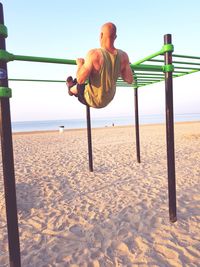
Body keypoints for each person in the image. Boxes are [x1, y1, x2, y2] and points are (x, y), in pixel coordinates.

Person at [66, 22, 133, 108]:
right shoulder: (124, 56)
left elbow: (80, 79)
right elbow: (129, 80)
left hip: (92, 100)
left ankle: (70, 89)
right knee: (88, 77)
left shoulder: (94, 54)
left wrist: (80, 64)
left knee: (79, 86)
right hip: (108, 98)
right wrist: (121, 67)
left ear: (101, 35)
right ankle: (72, 84)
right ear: (115, 37)